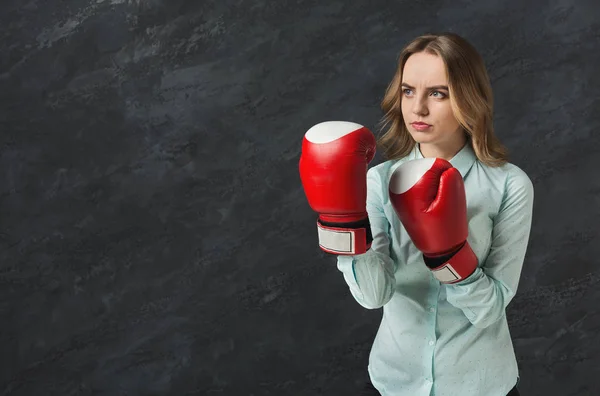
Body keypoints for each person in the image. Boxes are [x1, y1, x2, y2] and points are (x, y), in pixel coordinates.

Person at [299, 32, 534, 396]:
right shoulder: (377, 181)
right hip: (395, 380)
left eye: (437, 93)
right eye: (408, 91)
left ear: (469, 98)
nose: (418, 108)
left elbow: (490, 311)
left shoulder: (509, 186)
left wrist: (450, 258)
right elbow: (374, 295)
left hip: (480, 384)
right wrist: (342, 224)